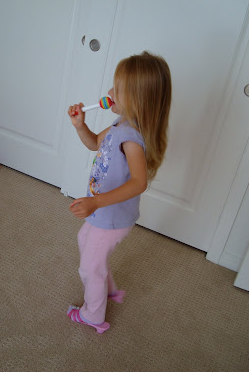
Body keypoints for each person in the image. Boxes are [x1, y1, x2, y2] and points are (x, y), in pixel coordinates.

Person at [67, 51, 172, 333]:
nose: (110, 92)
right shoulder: (119, 124)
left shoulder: (132, 138)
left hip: (111, 215)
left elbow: (139, 182)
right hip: (102, 210)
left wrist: (95, 202)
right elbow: (93, 144)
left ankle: (93, 315)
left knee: (89, 267)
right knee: (85, 241)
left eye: (118, 89)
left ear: (139, 98)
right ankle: (110, 290)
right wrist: (81, 126)